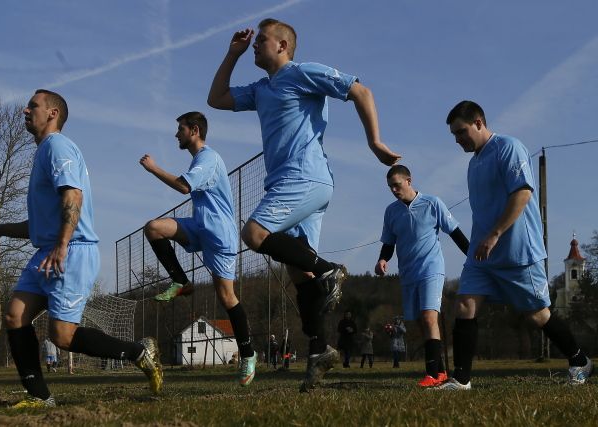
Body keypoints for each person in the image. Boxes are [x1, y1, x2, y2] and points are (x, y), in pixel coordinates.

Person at [207, 17, 401, 393]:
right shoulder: (262, 89)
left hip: (305, 179)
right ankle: (320, 352)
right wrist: (231, 55)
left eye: (261, 40)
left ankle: (330, 270)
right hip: (287, 184)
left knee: (254, 233)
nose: (254, 45)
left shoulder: (303, 72)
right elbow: (216, 99)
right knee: (301, 274)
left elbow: (360, 91)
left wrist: (374, 142)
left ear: (282, 46)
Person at [0, 89, 163, 408]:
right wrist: (0, 230)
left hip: (72, 250)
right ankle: (39, 398)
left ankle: (138, 352)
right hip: (49, 249)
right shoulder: (43, 153)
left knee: (61, 337)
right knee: (15, 315)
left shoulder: (57, 146)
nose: (25, 110)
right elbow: (39, 225)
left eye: (33, 105)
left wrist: (63, 244)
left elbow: (72, 197)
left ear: (52, 114)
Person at [437, 100, 593, 390]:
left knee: (537, 315)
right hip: (482, 256)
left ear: (479, 123)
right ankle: (461, 380)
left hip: (518, 252)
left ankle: (579, 359)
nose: (457, 140)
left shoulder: (509, 148)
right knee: (465, 304)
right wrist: (481, 242)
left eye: (461, 132)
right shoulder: (473, 164)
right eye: (454, 135)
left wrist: (495, 233)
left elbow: (521, 193)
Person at [139, 111, 257, 387]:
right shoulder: (200, 159)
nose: (176, 134)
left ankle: (248, 354)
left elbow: (183, 187)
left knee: (227, 298)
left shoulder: (208, 158)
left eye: (180, 129)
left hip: (219, 236)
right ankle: (181, 281)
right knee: (154, 228)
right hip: (200, 226)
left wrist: (153, 167)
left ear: (194, 130)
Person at [374, 165, 470, 387]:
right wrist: (382, 259)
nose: (394, 190)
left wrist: (473, 257)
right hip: (407, 273)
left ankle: (432, 375)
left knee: (429, 317)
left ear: (409, 180)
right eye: (390, 187)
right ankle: (442, 372)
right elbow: (389, 243)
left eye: (397, 185)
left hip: (431, 269)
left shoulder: (432, 203)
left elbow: (455, 233)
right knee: (419, 322)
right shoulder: (391, 211)